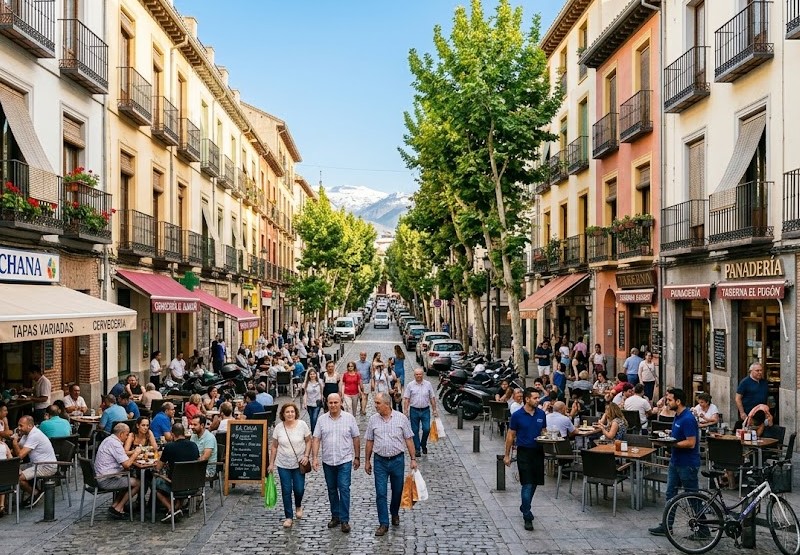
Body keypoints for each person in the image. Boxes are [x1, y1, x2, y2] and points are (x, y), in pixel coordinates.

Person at [649, 388, 701, 536]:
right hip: (675, 461)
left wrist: (672, 444)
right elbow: (679, 436)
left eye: (670, 400)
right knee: (670, 494)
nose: (667, 402)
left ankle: (703, 528)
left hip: (687, 463)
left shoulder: (688, 419)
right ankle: (667, 525)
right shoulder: (678, 416)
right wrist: (669, 436)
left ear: (678, 402)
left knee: (692, 497)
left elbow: (691, 443)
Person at [364, 392, 417, 536]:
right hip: (380, 461)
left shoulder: (401, 419)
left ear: (387, 404)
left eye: (377, 403)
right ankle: (383, 523)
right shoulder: (373, 420)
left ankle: (394, 512)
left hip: (397, 460)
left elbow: (409, 439)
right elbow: (369, 440)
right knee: (380, 493)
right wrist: (367, 460)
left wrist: (413, 458)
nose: (375, 406)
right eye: (375, 403)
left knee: (397, 491)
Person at [311, 393, 360, 534]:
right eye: (330, 403)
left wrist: (357, 457)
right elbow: (316, 439)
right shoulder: (321, 420)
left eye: (335, 402)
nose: (333, 405)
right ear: (327, 403)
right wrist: (314, 457)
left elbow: (356, 438)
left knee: (344, 488)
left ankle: (345, 520)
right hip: (328, 460)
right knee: (332, 489)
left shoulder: (349, 419)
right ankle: (335, 515)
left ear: (340, 402)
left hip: (344, 460)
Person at [503, 389, 546, 531]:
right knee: (527, 484)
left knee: (534, 483)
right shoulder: (517, 416)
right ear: (527, 399)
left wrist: (548, 437)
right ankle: (527, 515)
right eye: (535, 398)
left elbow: (543, 432)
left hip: (538, 452)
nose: (538, 400)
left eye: (538, 397)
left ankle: (524, 505)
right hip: (524, 452)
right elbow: (510, 436)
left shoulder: (541, 414)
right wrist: (507, 455)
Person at [268, 403, 311, 528]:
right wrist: (271, 463)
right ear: (283, 414)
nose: (290, 414)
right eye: (287, 412)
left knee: (299, 489)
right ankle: (288, 516)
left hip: (299, 463)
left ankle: (298, 505)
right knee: (286, 490)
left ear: (295, 413)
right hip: (283, 464)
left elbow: (308, 441)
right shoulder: (279, 428)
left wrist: (306, 455)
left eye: (292, 411)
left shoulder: (302, 425)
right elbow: (274, 446)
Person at [94, 422, 142, 519]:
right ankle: (119, 508)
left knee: (127, 478)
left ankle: (115, 506)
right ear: (121, 434)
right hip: (106, 479)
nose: (127, 437)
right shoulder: (115, 444)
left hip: (102, 476)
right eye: (127, 434)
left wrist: (132, 454)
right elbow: (127, 464)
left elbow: (122, 458)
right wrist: (135, 453)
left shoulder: (109, 440)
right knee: (137, 483)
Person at [154, 422, 200, 521]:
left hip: (176, 485)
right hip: (193, 484)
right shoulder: (193, 445)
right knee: (181, 478)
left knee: (155, 483)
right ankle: (177, 506)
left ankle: (171, 508)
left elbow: (158, 467)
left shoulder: (169, 447)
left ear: (172, 434)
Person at [12, 415, 56, 506]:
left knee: (17, 478)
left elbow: (20, 455)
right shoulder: (26, 434)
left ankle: (35, 493)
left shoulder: (34, 435)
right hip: (34, 464)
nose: (18, 428)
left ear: (30, 426)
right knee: (11, 472)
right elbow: (17, 450)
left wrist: (14, 442)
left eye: (21, 426)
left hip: (46, 466)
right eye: (18, 426)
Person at [402, 368, 439, 458]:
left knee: (426, 429)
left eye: (420, 374)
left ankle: (423, 444)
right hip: (414, 410)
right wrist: (405, 410)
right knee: (415, 430)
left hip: (425, 410)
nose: (419, 376)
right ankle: (417, 449)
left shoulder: (428, 384)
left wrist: (434, 410)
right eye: (417, 374)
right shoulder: (410, 385)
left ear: (423, 375)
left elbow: (432, 397)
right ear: (414, 375)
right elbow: (406, 398)